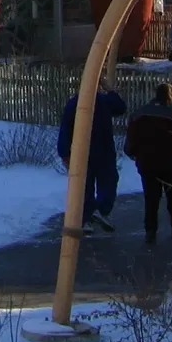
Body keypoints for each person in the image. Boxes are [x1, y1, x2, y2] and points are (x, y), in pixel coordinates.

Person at [124, 82, 172, 243]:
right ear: (170, 96)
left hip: (147, 163)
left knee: (151, 198)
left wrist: (133, 153)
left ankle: (150, 230)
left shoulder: (139, 115)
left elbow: (131, 139)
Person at [57, 76, 128, 233]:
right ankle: (99, 210)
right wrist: (111, 90)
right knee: (107, 182)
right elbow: (121, 108)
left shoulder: (74, 103)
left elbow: (65, 129)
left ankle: (89, 216)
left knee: (85, 185)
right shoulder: (102, 101)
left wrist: (64, 153)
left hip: (82, 151)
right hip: (102, 150)